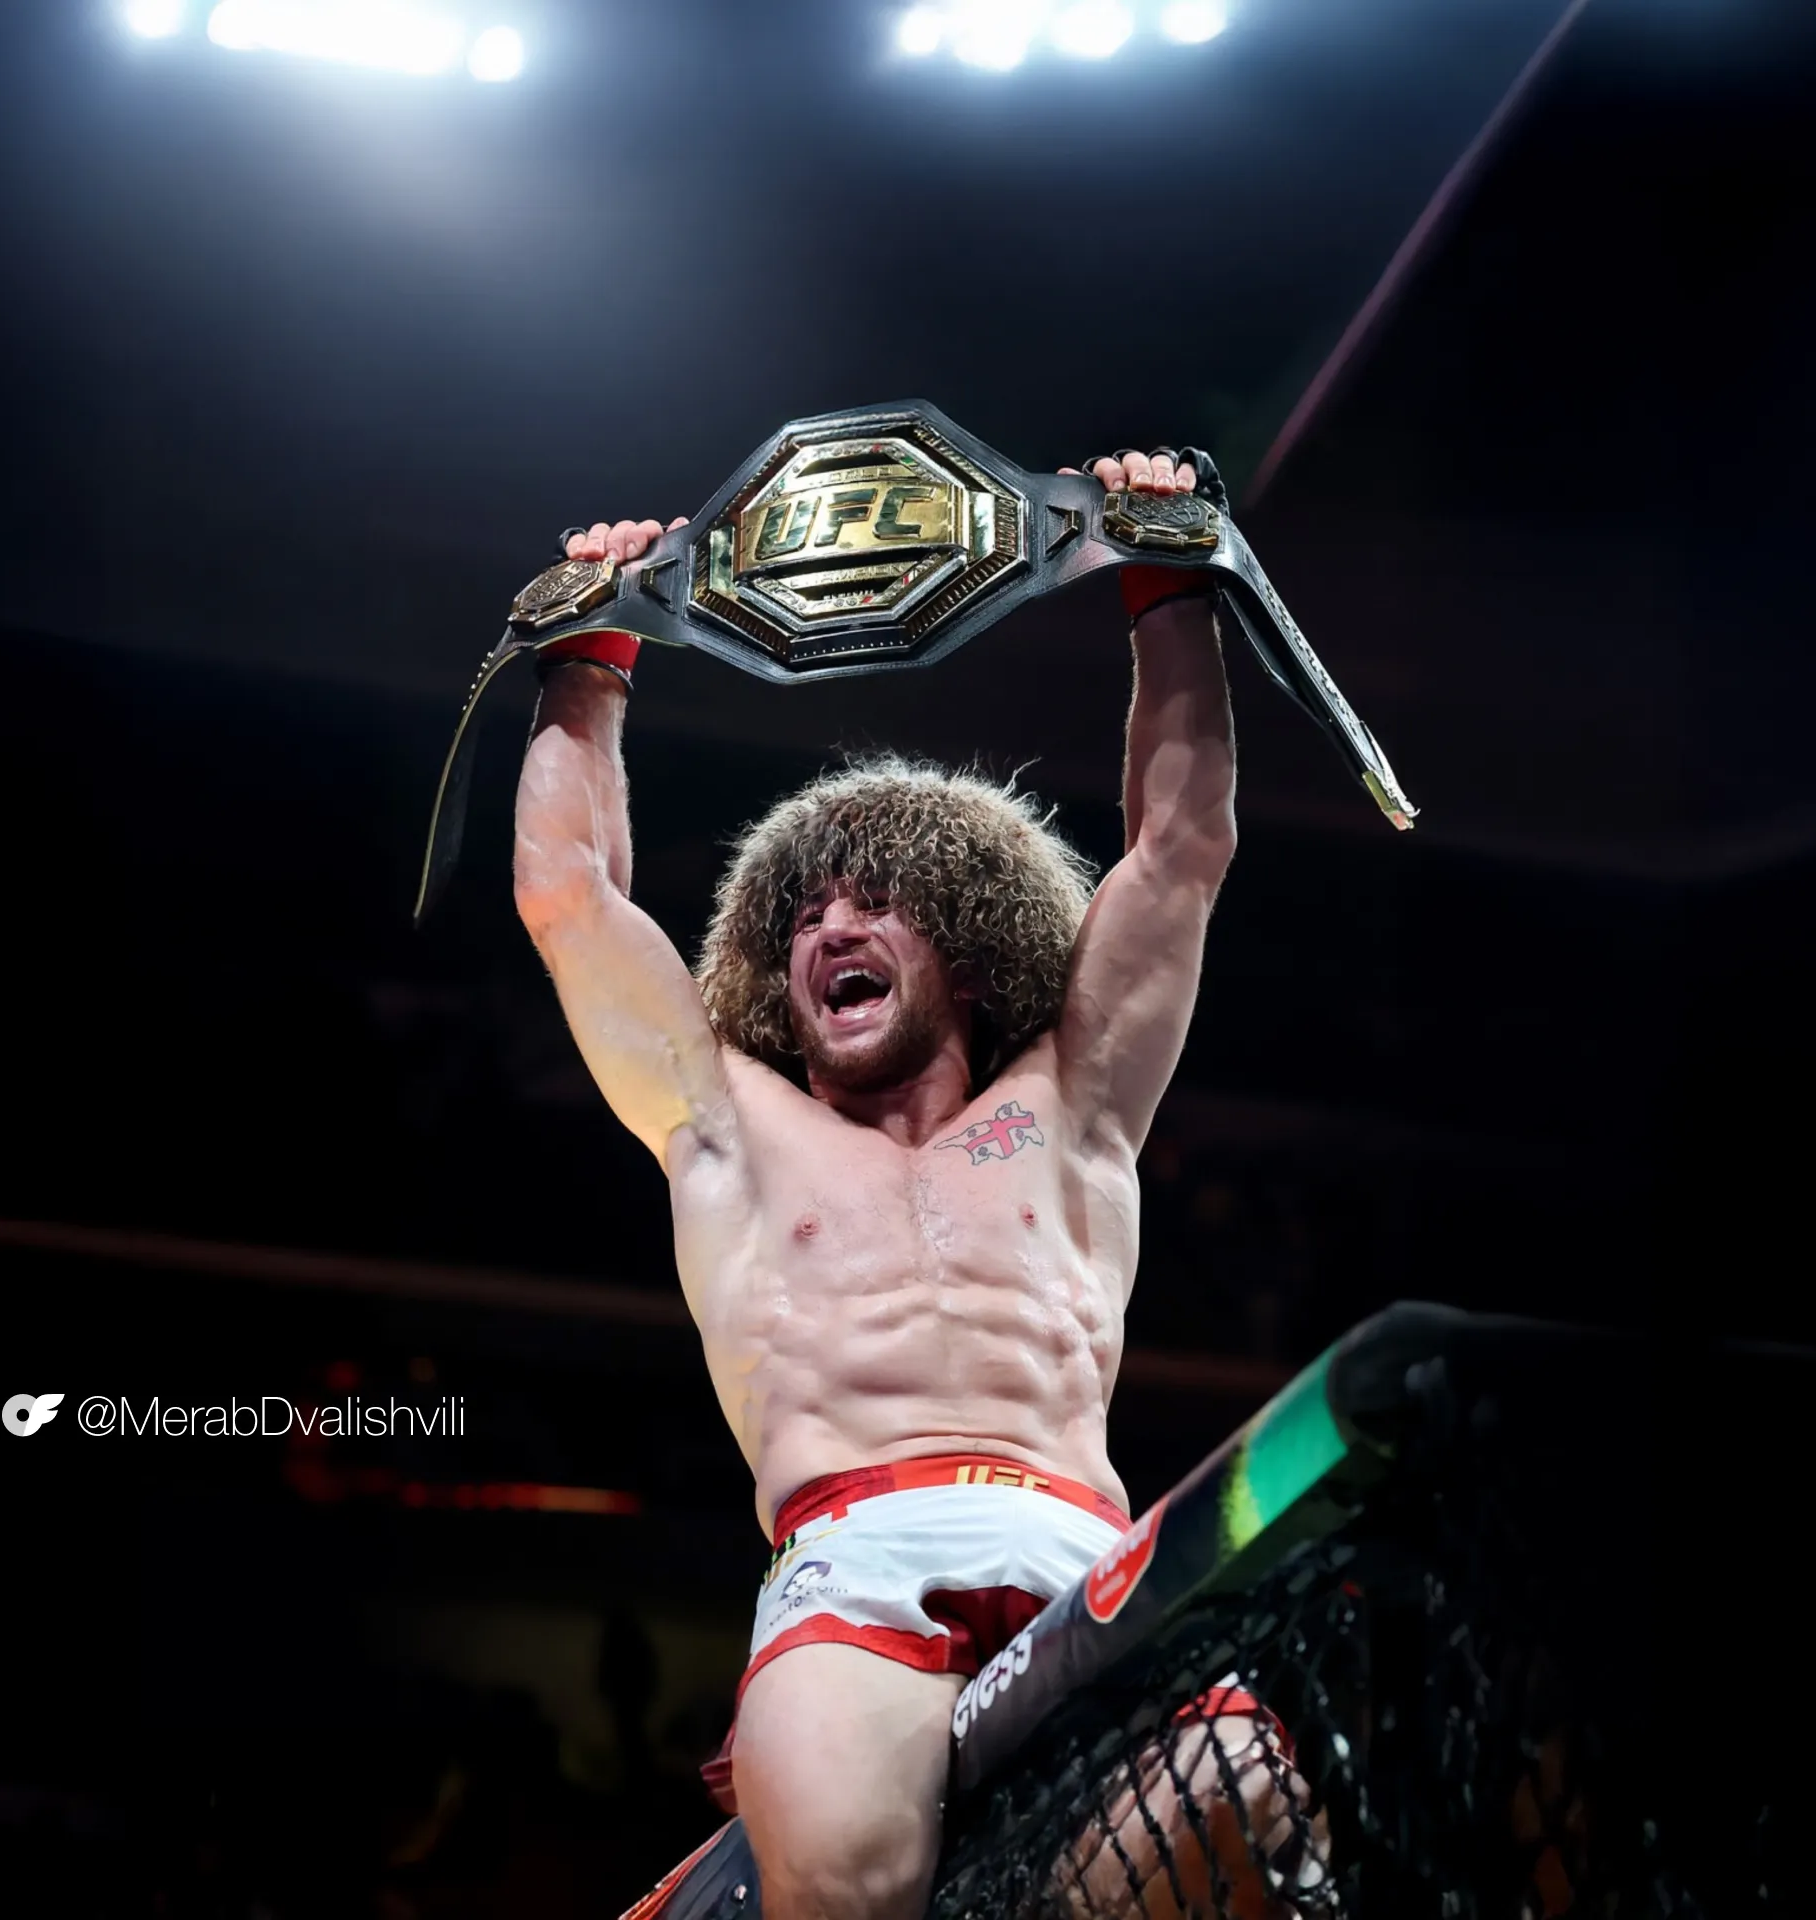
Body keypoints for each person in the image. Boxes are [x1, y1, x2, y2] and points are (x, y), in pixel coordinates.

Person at [515, 449, 1293, 1919]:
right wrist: (589, 653)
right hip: (850, 1548)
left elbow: (1182, 850)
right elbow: (568, 893)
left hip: (1080, 1543)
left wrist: (1168, 579)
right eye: (803, 914)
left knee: (1240, 1823)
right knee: (854, 1893)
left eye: (872, 902)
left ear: (963, 941)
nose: (828, 930)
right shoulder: (725, 1124)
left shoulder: (1073, 1107)